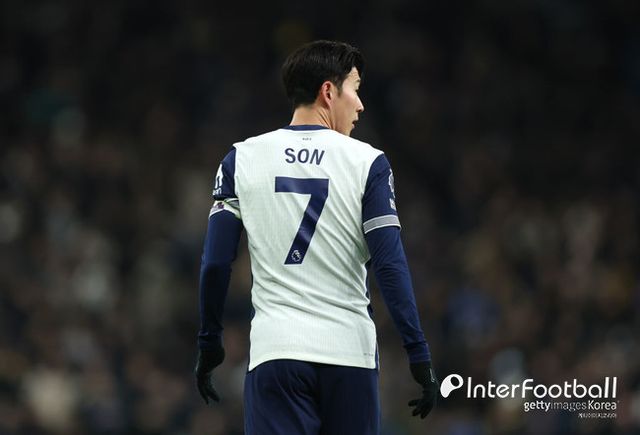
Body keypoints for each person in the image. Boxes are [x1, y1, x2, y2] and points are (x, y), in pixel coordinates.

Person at [195, 40, 438, 434]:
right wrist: (418, 351)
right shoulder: (368, 163)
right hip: (349, 355)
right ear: (329, 91)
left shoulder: (241, 159)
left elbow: (216, 263)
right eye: (355, 89)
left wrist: (209, 341)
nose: (360, 105)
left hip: (277, 352)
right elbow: (389, 264)